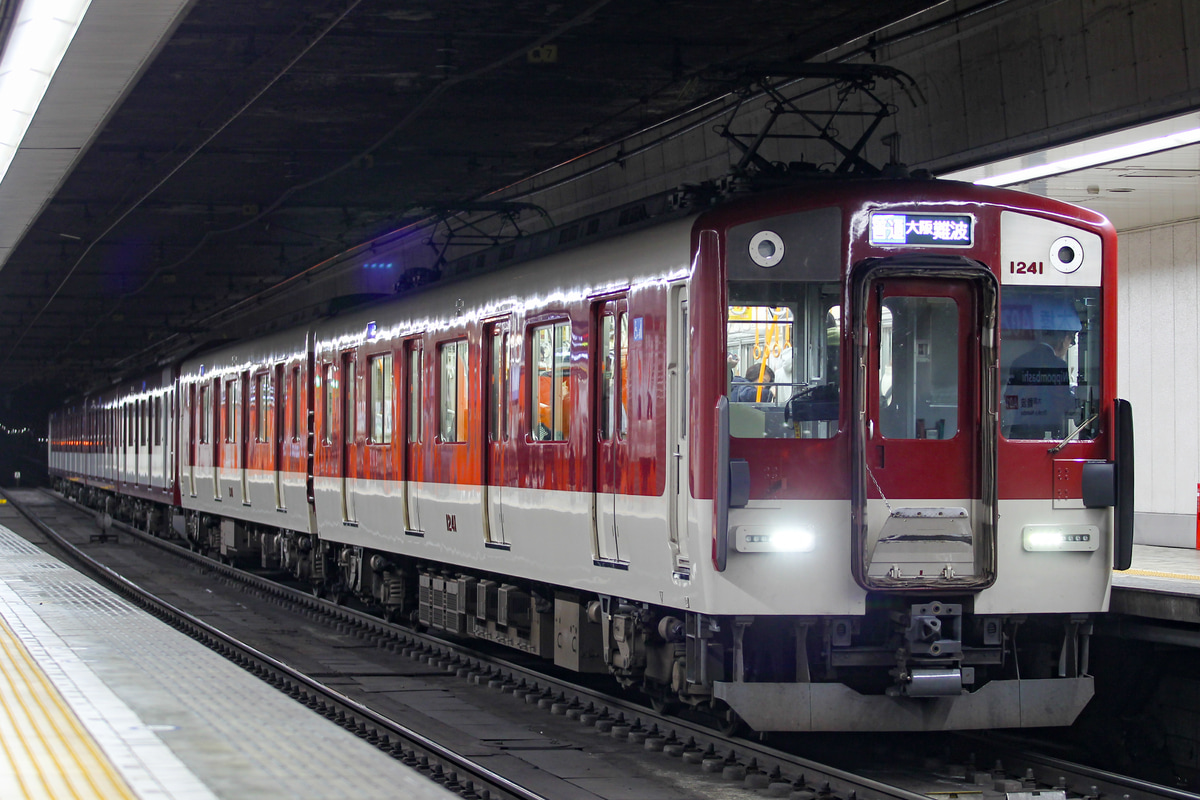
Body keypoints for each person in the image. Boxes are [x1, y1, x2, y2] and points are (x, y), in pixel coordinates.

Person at [1003, 325, 1079, 439]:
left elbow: (1009, 400)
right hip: (1051, 434)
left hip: (1020, 433)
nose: (1069, 346)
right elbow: (1064, 403)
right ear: (1063, 339)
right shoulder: (1059, 365)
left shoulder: (1019, 361)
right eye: (1071, 341)